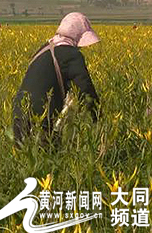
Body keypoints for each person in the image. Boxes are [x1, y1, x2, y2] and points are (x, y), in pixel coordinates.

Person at [12, 12, 100, 148]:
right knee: (50, 159)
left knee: (23, 159)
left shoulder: (44, 49)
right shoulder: (71, 55)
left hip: (19, 114)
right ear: (78, 35)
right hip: (41, 119)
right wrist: (98, 118)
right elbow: (86, 90)